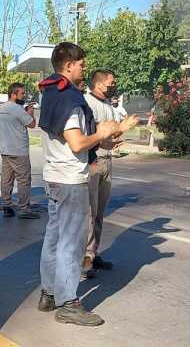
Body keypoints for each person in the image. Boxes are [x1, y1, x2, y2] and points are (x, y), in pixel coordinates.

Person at [35, 42, 136, 327]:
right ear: (68, 66)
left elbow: (74, 139)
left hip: (54, 176)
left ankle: (49, 293)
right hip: (70, 180)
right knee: (71, 243)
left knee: (54, 238)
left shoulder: (52, 93)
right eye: (81, 64)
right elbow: (77, 142)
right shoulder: (68, 99)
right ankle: (68, 303)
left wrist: (106, 137)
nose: (84, 68)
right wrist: (101, 133)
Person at [82, 69, 127, 278]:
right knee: (89, 214)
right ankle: (84, 259)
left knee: (99, 212)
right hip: (93, 162)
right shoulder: (87, 103)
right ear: (99, 84)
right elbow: (89, 135)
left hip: (107, 160)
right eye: (111, 83)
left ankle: (93, 252)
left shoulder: (108, 105)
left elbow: (112, 131)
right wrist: (105, 139)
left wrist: (119, 133)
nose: (113, 86)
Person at [0, 82, 39, 219]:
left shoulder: (2, 108)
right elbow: (32, 124)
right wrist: (31, 113)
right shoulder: (17, 109)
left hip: (5, 149)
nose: (24, 95)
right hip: (19, 150)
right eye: (22, 93)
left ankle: (7, 206)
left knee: (7, 179)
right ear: (14, 94)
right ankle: (24, 209)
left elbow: (15, 122)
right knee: (24, 180)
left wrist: (24, 112)